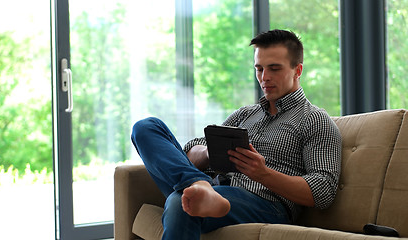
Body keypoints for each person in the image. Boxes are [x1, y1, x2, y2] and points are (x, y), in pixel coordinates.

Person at [131, 29, 342, 240]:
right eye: (259, 69)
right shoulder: (246, 114)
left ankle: (203, 192)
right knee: (146, 127)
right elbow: (190, 152)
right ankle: (199, 185)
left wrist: (262, 173)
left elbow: (323, 190)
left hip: (265, 203)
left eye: (274, 69)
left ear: (298, 70)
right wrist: (208, 153)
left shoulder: (314, 119)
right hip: (214, 186)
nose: (264, 77)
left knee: (180, 202)